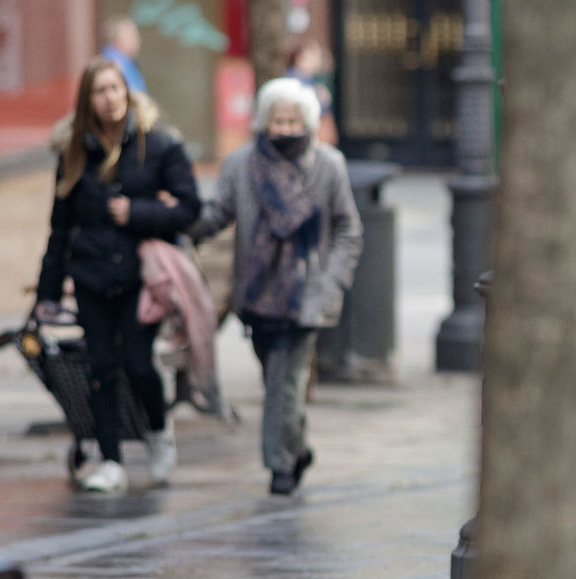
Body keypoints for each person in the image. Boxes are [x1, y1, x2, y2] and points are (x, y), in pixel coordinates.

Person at [190, 78, 362, 496]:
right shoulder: (240, 165)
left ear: (306, 121)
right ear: (263, 122)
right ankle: (297, 447)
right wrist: (172, 217)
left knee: (286, 380)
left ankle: (279, 467)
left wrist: (332, 282)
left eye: (292, 119)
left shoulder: (328, 165)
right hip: (256, 294)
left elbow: (348, 230)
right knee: (279, 383)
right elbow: (217, 216)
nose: (284, 128)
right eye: (276, 120)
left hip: (308, 294)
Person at [36, 57, 200, 492]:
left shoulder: (158, 146)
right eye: (100, 91)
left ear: (127, 93)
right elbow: (60, 228)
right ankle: (111, 461)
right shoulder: (74, 153)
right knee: (101, 366)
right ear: (87, 100)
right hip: (90, 274)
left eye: (115, 89)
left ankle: (158, 433)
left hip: (140, 277)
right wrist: (47, 294)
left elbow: (190, 209)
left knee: (138, 364)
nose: (110, 100)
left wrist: (138, 212)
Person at [285, 40, 338, 146]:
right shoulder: (293, 82)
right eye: (313, 56)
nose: (317, 60)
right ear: (299, 58)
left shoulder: (312, 81)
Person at [101, 16, 147, 95]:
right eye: (132, 37)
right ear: (117, 40)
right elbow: (134, 97)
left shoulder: (126, 62)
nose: (138, 42)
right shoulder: (113, 65)